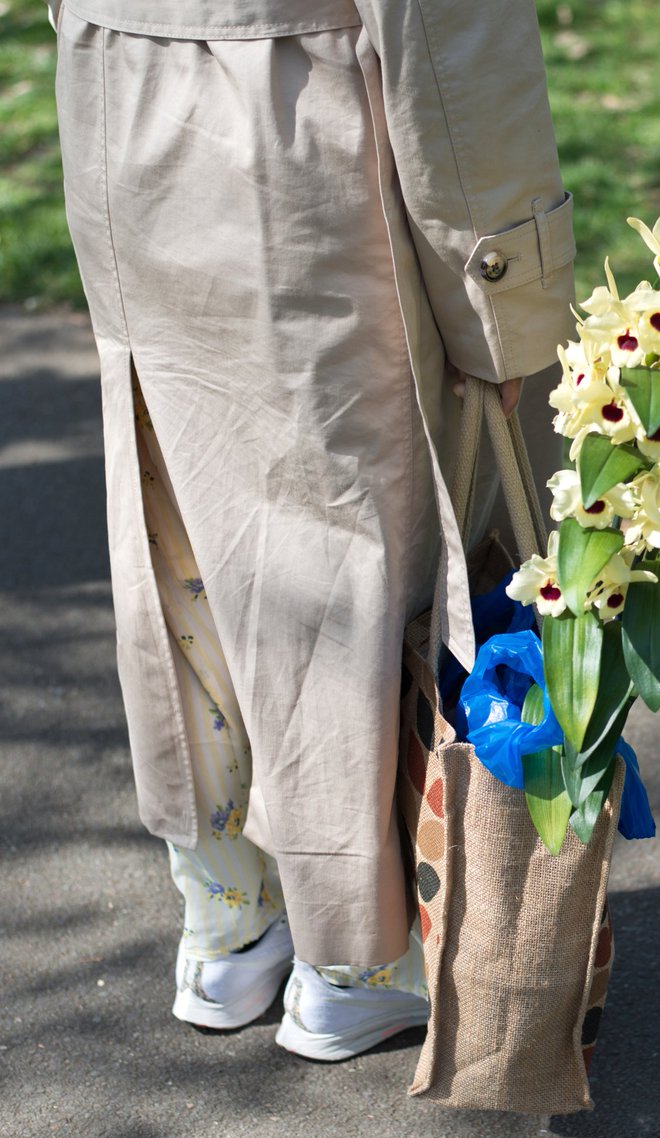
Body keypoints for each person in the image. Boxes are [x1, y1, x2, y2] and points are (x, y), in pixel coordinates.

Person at [49, 0, 576, 1060]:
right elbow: (447, 35)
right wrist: (506, 295)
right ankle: (359, 959)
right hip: (304, 123)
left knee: (178, 514)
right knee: (335, 539)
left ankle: (230, 924)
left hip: (114, 93)